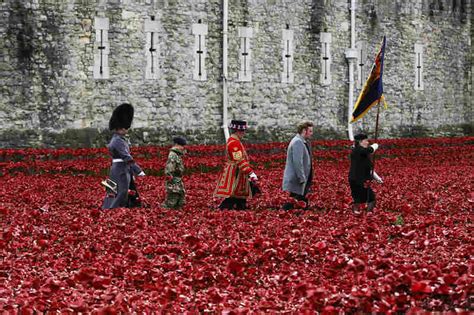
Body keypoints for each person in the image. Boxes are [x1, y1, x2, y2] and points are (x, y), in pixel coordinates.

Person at [102, 103, 145, 209]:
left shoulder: (119, 139)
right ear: (121, 128)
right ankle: (113, 208)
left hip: (120, 168)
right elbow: (126, 157)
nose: (127, 130)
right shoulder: (118, 141)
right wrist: (138, 170)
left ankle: (130, 206)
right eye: (125, 128)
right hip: (121, 169)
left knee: (122, 189)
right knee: (121, 191)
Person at [214, 120, 258, 210]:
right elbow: (239, 160)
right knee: (234, 195)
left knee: (239, 194)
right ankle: (225, 209)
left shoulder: (234, 140)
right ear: (236, 131)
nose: (244, 133)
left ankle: (240, 208)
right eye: (242, 131)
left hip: (237, 171)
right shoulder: (234, 143)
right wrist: (250, 172)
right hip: (236, 172)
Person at [282, 121, 314, 210]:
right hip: (298, 178)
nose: (312, 134)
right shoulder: (298, 142)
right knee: (296, 199)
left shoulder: (302, 141)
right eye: (310, 131)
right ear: (304, 131)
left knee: (298, 199)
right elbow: (298, 162)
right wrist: (302, 177)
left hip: (300, 177)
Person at [348, 133, 383, 213]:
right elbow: (369, 150)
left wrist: (377, 178)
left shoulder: (360, 152)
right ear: (360, 142)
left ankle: (358, 215)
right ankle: (366, 215)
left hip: (357, 179)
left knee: (359, 199)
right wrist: (374, 146)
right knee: (370, 198)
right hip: (358, 180)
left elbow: (368, 168)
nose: (367, 142)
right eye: (366, 141)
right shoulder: (358, 150)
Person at [162, 136, 187, 209]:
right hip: (174, 181)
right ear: (176, 144)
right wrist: (171, 180)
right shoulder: (173, 155)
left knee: (180, 202)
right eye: (181, 145)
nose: (183, 148)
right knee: (171, 201)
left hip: (178, 180)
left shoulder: (177, 155)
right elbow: (169, 169)